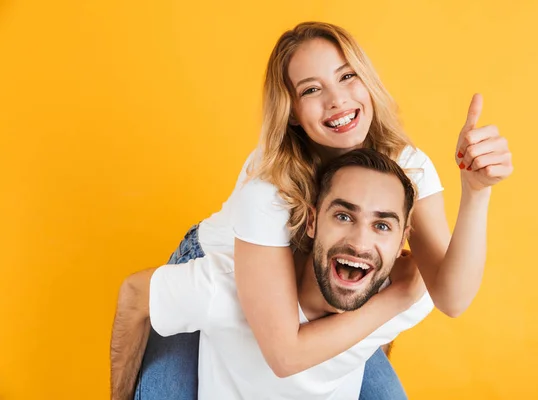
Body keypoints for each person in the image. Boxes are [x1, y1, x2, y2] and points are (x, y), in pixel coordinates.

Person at [118, 21, 513, 399]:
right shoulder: (269, 186)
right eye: (311, 90)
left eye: (347, 76)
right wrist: (394, 298)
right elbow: (285, 353)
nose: (337, 100)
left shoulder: (406, 167)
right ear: (290, 110)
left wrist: (476, 191)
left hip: (319, 294)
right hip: (224, 273)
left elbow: (452, 297)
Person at [112, 148, 433, 400]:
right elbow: (134, 294)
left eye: (382, 226)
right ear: (312, 221)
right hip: (216, 246)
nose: (360, 243)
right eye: (344, 216)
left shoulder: (406, 290)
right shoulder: (227, 290)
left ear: (402, 239)